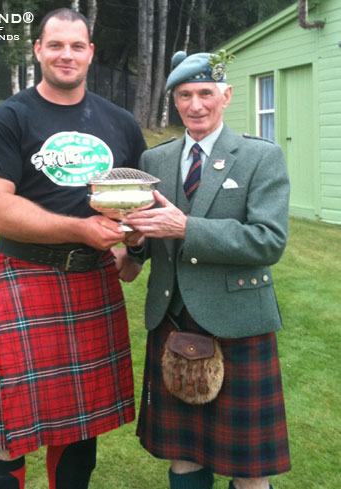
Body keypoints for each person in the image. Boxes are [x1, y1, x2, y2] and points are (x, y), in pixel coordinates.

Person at [0, 8, 146, 489]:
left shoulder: (121, 123)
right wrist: (81, 230)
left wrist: (132, 248)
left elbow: (137, 203)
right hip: (27, 278)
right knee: (8, 431)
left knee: (81, 423)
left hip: (93, 282)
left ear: (91, 52)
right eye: (56, 45)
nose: (66, 54)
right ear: (38, 50)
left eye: (77, 46)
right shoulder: (8, 119)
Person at [124, 51, 291, 489]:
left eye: (205, 93)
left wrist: (186, 227)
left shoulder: (260, 157)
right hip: (172, 319)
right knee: (184, 458)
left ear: (226, 95)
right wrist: (136, 241)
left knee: (248, 471)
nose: (195, 105)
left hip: (237, 323)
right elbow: (149, 242)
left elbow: (268, 240)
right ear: (174, 101)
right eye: (184, 95)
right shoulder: (153, 161)